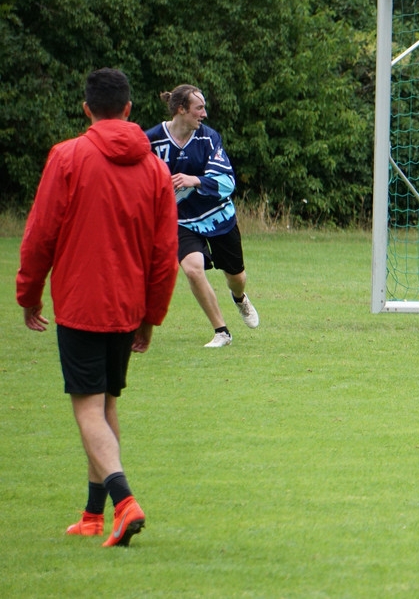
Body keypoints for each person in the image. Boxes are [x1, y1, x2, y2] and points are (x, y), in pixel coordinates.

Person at [17, 68, 179, 547]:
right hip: (128, 307)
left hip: (82, 305)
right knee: (106, 405)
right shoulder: (154, 169)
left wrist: (29, 293)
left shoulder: (67, 157)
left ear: (87, 108)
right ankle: (92, 514)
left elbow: (40, 234)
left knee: (87, 409)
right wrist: (151, 316)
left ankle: (124, 502)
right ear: (129, 109)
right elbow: (162, 253)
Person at [146, 85, 259, 348]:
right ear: (181, 110)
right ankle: (222, 332)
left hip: (218, 217)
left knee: (237, 278)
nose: (204, 114)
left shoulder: (209, 139)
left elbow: (228, 182)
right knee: (193, 269)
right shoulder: (151, 140)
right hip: (181, 222)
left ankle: (240, 298)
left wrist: (194, 180)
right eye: (199, 108)